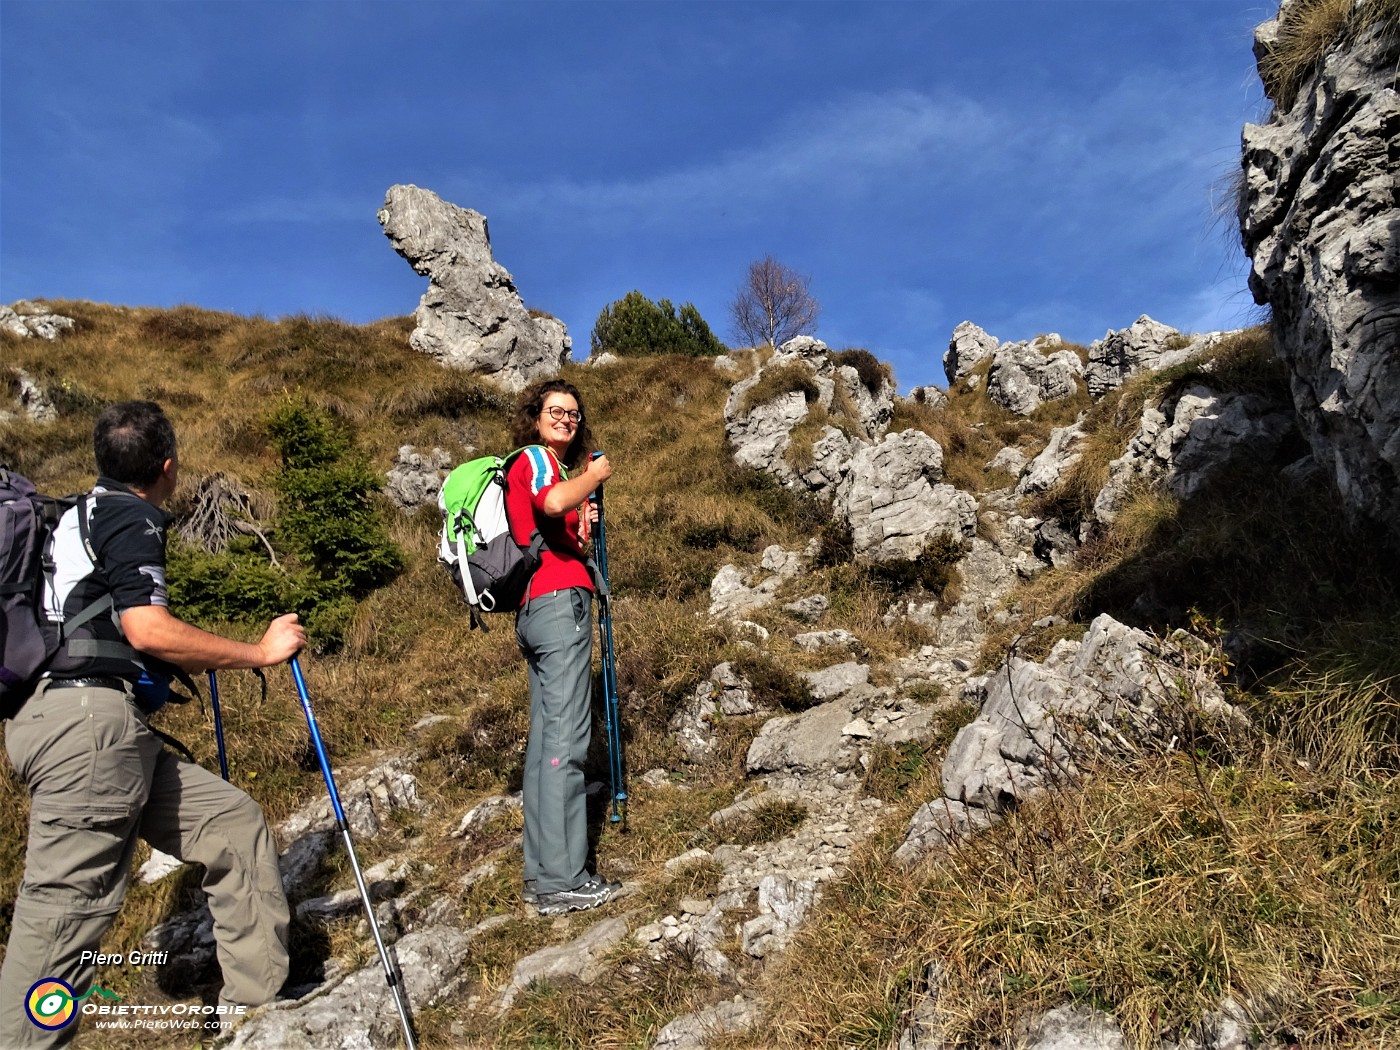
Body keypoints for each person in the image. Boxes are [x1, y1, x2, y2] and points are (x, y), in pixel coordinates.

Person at [0, 400, 306, 1048]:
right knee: (62, 919)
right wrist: (258, 652)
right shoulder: (129, 513)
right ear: (168, 467)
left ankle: (255, 1010)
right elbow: (149, 629)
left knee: (230, 824)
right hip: (89, 731)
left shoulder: (72, 515)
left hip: (82, 725)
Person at [505, 379, 620, 915]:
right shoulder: (539, 460)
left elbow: (549, 517)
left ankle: (541, 875)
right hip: (558, 606)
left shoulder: (526, 464)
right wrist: (591, 478)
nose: (567, 420)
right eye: (557, 411)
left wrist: (580, 522)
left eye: (574, 414)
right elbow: (551, 500)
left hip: (533, 608)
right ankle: (563, 880)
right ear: (536, 416)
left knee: (545, 744)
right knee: (567, 743)